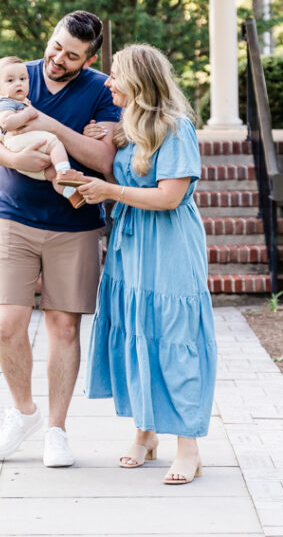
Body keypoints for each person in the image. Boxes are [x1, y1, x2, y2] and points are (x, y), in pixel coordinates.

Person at [0, 10, 121, 467]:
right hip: (12, 217)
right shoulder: (16, 74)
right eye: (55, 47)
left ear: (89, 57)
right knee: (7, 325)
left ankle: (56, 429)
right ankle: (23, 413)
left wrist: (50, 126)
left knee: (64, 327)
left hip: (73, 225)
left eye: (71, 56)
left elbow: (105, 159)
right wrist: (15, 162)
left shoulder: (100, 89)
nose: (57, 59)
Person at [78, 44, 217, 485]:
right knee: (138, 330)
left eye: (115, 75)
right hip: (131, 248)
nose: (108, 82)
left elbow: (169, 196)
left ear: (139, 81)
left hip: (170, 246)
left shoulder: (176, 128)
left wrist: (111, 193)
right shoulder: (125, 128)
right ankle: (145, 433)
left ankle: (188, 447)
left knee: (175, 338)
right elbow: (121, 174)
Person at [0, 55, 85, 208]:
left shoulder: (21, 102)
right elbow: (6, 122)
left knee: (52, 174)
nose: (18, 83)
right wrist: (27, 114)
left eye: (23, 79)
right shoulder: (5, 102)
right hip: (17, 142)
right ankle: (65, 171)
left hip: (24, 151)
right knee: (54, 142)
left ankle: (72, 195)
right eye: (10, 80)